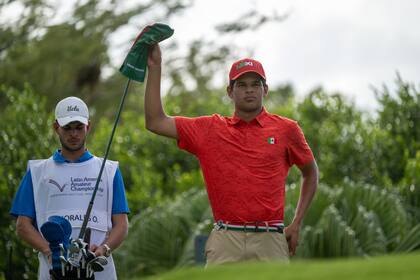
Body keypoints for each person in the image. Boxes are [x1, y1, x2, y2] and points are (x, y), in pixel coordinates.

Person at [144, 44, 319, 265]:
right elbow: (155, 121)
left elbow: (310, 172)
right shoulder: (209, 128)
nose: (249, 90)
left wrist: (297, 222)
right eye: (242, 85)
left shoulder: (287, 129)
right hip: (225, 239)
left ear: (265, 90)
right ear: (230, 91)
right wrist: (155, 67)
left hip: (270, 239)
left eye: (256, 84)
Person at [10, 96, 130, 279]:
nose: (73, 134)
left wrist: (104, 249)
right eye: (67, 128)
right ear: (56, 127)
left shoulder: (109, 170)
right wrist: (49, 252)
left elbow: (121, 225)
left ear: (88, 127)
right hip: (54, 272)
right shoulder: (37, 172)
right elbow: (22, 226)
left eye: (78, 127)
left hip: (99, 272)